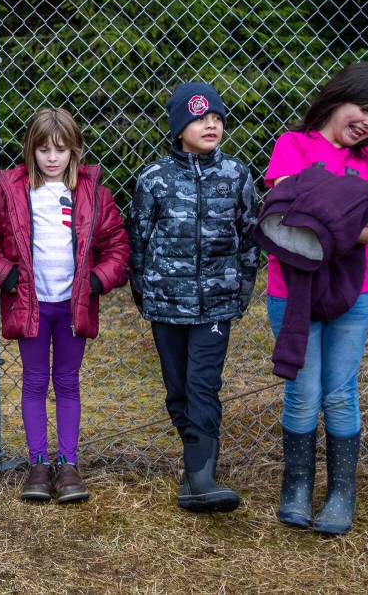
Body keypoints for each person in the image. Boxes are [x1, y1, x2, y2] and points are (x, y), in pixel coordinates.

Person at [264, 62, 368, 536]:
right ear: (337, 99)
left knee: (341, 395)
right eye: (364, 108)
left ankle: (341, 493)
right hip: (291, 292)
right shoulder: (293, 146)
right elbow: (286, 214)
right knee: (302, 395)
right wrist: (351, 220)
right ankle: (296, 486)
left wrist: (324, 212)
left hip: (350, 294)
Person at [0, 108, 129, 503]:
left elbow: (117, 246)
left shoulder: (93, 195)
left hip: (72, 306)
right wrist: (4, 274)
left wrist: (97, 280)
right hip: (31, 305)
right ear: (30, 150)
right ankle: (39, 465)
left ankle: (68, 464)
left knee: (66, 382)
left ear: (75, 151)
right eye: (43, 148)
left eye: (60, 149)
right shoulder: (10, 192)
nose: (51, 157)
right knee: (33, 382)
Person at [129, 82, 258, 513]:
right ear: (179, 126)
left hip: (216, 304)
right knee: (178, 388)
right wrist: (144, 292)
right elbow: (140, 240)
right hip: (166, 303)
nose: (211, 125)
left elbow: (248, 236)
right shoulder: (154, 179)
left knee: (204, 385)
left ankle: (202, 476)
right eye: (201, 118)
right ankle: (193, 467)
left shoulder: (236, 176)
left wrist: (240, 290)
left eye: (217, 118)